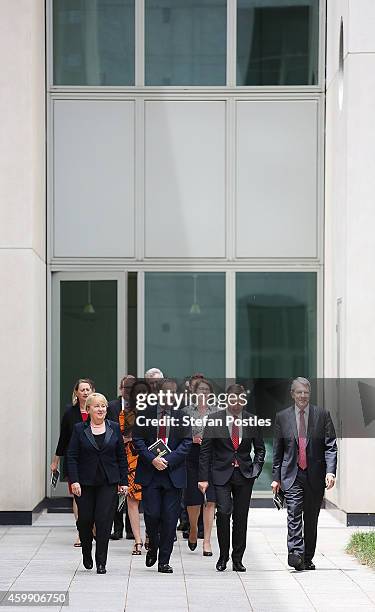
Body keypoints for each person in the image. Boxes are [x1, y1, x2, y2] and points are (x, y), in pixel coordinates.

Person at [271, 377, 337, 571]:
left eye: (306, 392)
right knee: (293, 514)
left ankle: (307, 557)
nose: (302, 396)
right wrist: (276, 478)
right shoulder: (282, 417)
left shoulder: (322, 415)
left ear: (310, 394)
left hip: (315, 475)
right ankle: (296, 553)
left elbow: (330, 445)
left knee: (311, 518)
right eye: (299, 392)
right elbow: (278, 450)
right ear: (292, 394)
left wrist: (331, 471)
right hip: (292, 474)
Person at [198, 383, 265, 572]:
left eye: (240, 399)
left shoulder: (252, 420)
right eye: (232, 399)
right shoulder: (214, 419)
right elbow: (205, 452)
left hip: (244, 475)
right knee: (224, 513)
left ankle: (238, 559)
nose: (236, 403)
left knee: (241, 517)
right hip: (221, 474)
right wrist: (203, 478)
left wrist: (256, 470)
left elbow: (260, 449)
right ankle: (223, 556)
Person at [133, 382, 192, 573]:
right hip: (151, 473)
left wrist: (167, 460)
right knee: (151, 515)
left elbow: (186, 443)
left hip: (172, 474)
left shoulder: (182, 416)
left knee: (169, 519)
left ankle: (164, 561)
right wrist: (153, 460)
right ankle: (153, 546)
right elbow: (138, 440)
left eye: (172, 394)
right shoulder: (145, 413)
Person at [67, 392, 128, 574]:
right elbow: (72, 456)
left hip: (108, 482)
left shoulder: (114, 428)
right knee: (85, 521)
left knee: (104, 521)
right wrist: (74, 481)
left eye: (103, 406)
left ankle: (101, 561)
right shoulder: (79, 429)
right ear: (88, 409)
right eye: (96, 406)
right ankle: (87, 551)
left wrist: (123, 481)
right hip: (84, 483)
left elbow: (121, 457)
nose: (101, 409)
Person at [50, 378, 95, 546]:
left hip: (95, 461)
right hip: (74, 460)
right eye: (81, 389)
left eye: (87, 389)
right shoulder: (70, 412)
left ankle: (94, 527)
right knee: (78, 497)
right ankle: (82, 532)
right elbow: (64, 438)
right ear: (76, 393)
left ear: (92, 391)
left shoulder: (98, 410)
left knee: (94, 496)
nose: (84, 392)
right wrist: (55, 461)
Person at [184, 378, 216, 556]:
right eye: (200, 390)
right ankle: (194, 528)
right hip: (192, 456)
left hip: (212, 457)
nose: (203, 393)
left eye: (206, 390)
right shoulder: (185, 411)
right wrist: (192, 438)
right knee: (193, 499)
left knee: (210, 499)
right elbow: (180, 435)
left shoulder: (218, 411)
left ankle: (207, 542)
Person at [107, 375, 136, 541]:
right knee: (118, 490)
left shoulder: (141, 407)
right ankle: (117, 529)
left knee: (131, 492)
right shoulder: (111, 406)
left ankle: (131, 530)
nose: (129, 391)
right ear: (121, 389)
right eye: (126, 388)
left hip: (134, 454)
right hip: (116, 453)